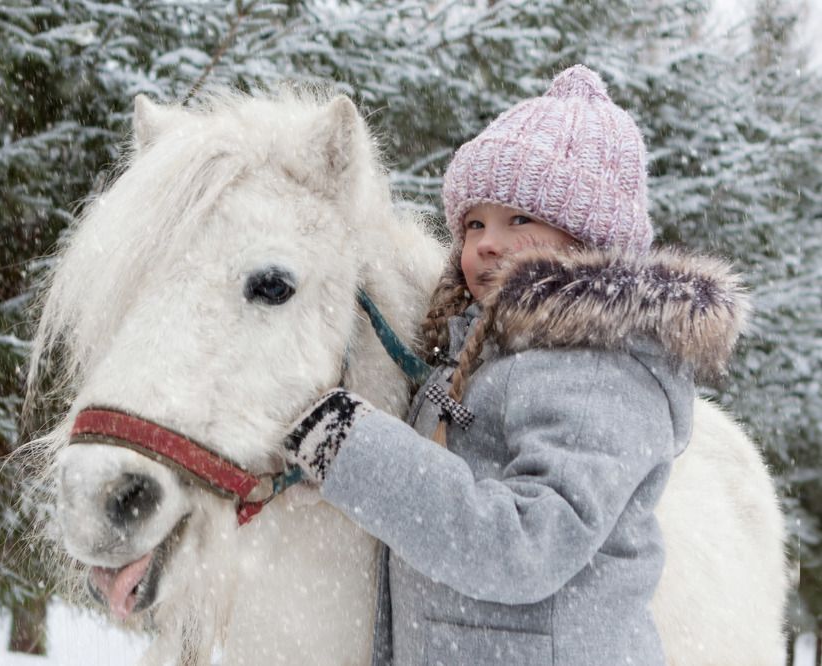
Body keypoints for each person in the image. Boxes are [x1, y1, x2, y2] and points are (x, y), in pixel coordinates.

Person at [282, 65, 748, 666]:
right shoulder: (485, 356)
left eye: (519, 219)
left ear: (586, 238)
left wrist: (353, 448)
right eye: (474, 223)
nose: (485, 242)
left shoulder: (598, 373)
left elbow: (526, 546)